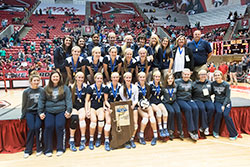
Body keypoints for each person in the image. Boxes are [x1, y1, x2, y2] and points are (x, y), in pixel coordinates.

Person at [38, 71, 72, 157]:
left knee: (59, 126)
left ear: (60, 78)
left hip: (61, 111)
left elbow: (68, 100)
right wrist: (40, 112)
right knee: (49, 127)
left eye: (57, 77)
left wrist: (69, 110)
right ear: (50, 78)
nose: (55, 78)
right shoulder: (45, 89)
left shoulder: (65, 88)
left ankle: (60, 148)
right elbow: (41, 101)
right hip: (49, 111)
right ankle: (48, 149)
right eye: (54, 77)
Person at [22, 71, 43, 158]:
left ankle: (39, 148)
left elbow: (43, 102)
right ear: (31, 81)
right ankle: (28, 150)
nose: (36, 82)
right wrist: (23, 115)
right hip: (29, 112)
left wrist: (42, 112)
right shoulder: (26, 91)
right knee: (31, 128)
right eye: (35, 80)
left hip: (38, 112)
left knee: (37, 128)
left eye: (38, 80)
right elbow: (24, 104)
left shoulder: (42, 90)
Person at [212, 70, 238, 140]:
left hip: (226, 102)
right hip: (217, 101)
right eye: (215, 75)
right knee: (219, 112)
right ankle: (215, 131)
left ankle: (234, 133)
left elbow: (227, 96)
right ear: (214, 77)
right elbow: (210, 92)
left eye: (218, 75)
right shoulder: (213, 84)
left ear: (221, 76)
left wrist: (224, 105)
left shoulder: (226, 84)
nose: (217, 76)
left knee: (226, 115)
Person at [175, 68, 199, 141]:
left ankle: (195, 129)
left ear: (190, 75)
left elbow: (194, 91)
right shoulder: (177, 82)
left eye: (188, 74)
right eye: (185, 74)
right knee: (188, 109)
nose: (186, 76)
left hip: (189, 99)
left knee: (195, 108)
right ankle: (191, 130)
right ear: (182, 75)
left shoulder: (191, 82)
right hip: (180, 99)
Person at [85, 73, 106, 150]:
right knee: (93, 122)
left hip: (100, 107)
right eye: (98, 78)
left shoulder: (105, 88)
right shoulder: (91, 88)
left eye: (101, 78)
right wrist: (87, 110)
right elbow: (87, 100)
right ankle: (91, 139)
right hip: (92, 107)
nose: (99, 80)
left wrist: (105, 107)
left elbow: (105, 100)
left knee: (101, 121)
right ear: (95, 79)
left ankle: (99, 138)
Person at [68, 72, 88, 152]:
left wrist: (87, 110)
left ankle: (83, 139)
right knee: (74, 118)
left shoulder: (86, 87)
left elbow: (87, 100)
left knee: (82, 118)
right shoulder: (71, 87)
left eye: (82, 77)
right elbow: (68, 100)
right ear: (75, 78)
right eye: (79, 77)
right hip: (73, 107)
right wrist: (68, 110)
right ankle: (71, 139)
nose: (80, 79)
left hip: (82, 107)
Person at [137, 72, 158, 145]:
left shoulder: (148, 86)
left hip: (146, 104)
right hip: (139, 106)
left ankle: (155, 136)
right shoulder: (135, 86)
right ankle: (141, 135)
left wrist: (147, 104)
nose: (142, 79)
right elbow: (134, 98)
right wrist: (139, 104)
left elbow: (149, 96)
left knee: (152, 118)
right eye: (141, 77)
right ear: (138, 78)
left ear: (145, 78)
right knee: (145, 118)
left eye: (143, 77)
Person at [119, 72, 139, 148]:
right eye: (127, 78)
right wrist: (128, 106)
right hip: (125, 107)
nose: (128, 79)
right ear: (124, 78)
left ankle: (131, 139)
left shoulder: (135, 88)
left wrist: (133, 105)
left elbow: (136, 99)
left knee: (135, 124)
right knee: (125, 124)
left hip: (133, 106)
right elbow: (123, 100)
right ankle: (125, 140)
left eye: (129, 78)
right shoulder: (121, 89)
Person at [192, 70, 215, 136]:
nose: (203, 76)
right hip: (198, 99)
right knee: (202, 109)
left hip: (207, 99)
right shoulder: (195, 84)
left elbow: (212, 92)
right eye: (201, 74)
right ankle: (206, 127)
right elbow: (191, 93)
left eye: (204, 74)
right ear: (199, 76)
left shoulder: (210, 83)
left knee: (211, 108)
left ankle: (203, 126)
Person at [103, 72, 122, 151]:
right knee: (108, 122)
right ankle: (107, 141)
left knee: (120, 122)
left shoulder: (121, 87)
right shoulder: (107, 87)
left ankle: (119, 140)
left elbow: (122, 99)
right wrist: (110, 108)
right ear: (111, 78)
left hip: (118, 107)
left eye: (117, 77)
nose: (115, 79)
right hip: (109, 107)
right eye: (114, 77)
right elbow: (105, 100)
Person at [163, 73, 184, 140]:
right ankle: (170, 131)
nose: (170, 80)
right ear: (166, 79)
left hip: (174, 102)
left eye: (171, 78)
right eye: (169, 78)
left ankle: (180, 130)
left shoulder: (175, 86)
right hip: (166, 102)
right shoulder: (163, 87)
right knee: (171, 112)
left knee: (178, 112)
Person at [149, 70, 169, 137]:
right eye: (156, 77)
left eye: (159, 77)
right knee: (159, 112)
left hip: (159, 101)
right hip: (152, 102)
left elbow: (162, 93)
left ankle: (165, 128)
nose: (157, 78)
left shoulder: (161, 84)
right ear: (153, 77)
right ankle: (160, 129)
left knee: (165, 112)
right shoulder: (150, 84)